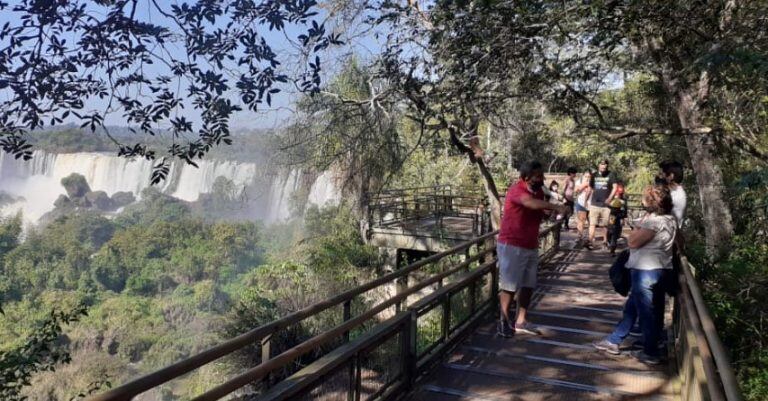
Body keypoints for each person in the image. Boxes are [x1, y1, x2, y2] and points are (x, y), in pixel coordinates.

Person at [593, 185, 677, 364]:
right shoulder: (670, 219)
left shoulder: (653, 222)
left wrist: (637, 228)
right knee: (633, 308)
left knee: (646, 312)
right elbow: (680, 242)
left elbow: (632, 242)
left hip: (645, 271)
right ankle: (614, 340)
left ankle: (651, 352)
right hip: (662, 269)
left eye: (645, 198)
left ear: (651, 203)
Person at [497, 161, 568, 337]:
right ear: (526, 177)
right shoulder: (517, 190)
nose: (541, 179)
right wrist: (555, 206)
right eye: (537, 176)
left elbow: (538, 213)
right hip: (511, 244)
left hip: (530, 243)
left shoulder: (537, 192)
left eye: (541, 176)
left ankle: (521, 320)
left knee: (528, 284)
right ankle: (503, 320)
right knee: (509, 284)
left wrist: (551, 213)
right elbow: (529, 203)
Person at [587, 160, 618, 249]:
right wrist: (587, 200)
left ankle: (605, 241)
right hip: (594, 203)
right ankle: (590, 240)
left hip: (606, 205)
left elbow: (615, 187)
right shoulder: (594, 175)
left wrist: (610, 198)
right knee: (592, 224)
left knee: (605, 224)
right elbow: (590, 188)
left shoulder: (611, 175)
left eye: (605, 165)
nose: (604, 166)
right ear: (598, 165)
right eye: (602, 164)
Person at [606, 180, 628, 256]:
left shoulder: (623, 198)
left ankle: (612, 248)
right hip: (613, 215)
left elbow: (625, 208)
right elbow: (607, 204)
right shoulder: (612, 195)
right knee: (610, 231)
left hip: (619, 215)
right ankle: (610, 241)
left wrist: (624, 217)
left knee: (615, 233)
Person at [574, 170, 593, 244]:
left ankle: (590, 237)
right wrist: (584, 185)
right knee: (581, 221)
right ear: (583, 176)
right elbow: (576, 190)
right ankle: (579, 236)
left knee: (591, 222)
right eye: (586, 176)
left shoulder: (593, 182)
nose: (587, 178)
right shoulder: (579, 181)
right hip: (581, 203)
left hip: (591, 204)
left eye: (589, 176)